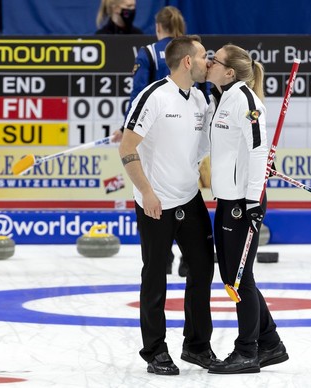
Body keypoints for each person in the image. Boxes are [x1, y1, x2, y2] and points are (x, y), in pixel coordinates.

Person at [118, 35, 217, 375]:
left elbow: (201, 150)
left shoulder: (201, 100)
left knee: (203, 268)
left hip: (190, 198)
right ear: (187, 61)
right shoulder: (153, 97)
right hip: (155, 200)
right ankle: (155, 351)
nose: (210, 60)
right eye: (204, 55)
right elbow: (127, 147)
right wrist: (146, 191)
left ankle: (197, 346)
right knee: (155, 275)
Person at [204, 44, 288, 374]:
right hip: (227, 199)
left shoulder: (247, 101)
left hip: (243, 203)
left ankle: (247, 350)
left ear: (229, 72)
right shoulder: (222, 99)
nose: (209, 63)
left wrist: (253, 201)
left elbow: (257, 152)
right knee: (232, 276)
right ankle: (270, 344)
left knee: (240, 279)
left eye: (216, 61)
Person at [115, 5, 187, 275]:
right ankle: (187, 254)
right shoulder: (189, 50)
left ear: (158, 28)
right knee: (184, 193)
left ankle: (162, 255)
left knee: (152, 191)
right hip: (184, 131)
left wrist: (126, 127)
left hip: (152, 133)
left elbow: (138, 93)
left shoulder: (147, 53)